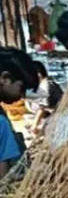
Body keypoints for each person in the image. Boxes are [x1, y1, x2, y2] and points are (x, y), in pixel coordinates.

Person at [0, 47, 38, 180]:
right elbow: (3, 181)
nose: (22, 96)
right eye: (21, 88)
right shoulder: (1, 123)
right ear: (5, 78)